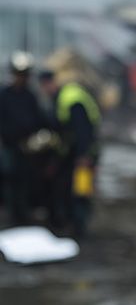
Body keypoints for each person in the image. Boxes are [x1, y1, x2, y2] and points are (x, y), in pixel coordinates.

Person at [38, 70, 101, 237]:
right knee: (68, 188)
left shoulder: (71, 98)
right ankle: (71, 224)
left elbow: (83, 131)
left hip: (85, 154)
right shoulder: (60, 98)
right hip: (73, 153)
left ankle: (80, 228)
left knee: (81, 190)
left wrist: (83, 156)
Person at [0, 51, 45, 226]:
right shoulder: (4, 95)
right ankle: (11, 214)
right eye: (18, 74)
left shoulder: (30, 96)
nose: (21, 78)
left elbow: (38, 119)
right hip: (9, 146)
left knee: (25, 180)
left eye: (24, 75)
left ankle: (23, 213)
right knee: (9, 179)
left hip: (27, 147)